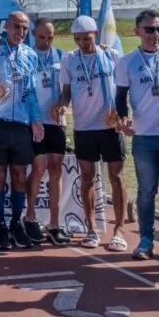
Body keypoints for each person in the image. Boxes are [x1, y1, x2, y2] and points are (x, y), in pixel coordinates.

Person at [114, 9, 159, 263]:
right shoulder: (127, 62)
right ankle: (146, 240)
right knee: (147, 190)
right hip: (145, 137)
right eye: (149, 29)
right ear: (137, 31)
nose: (155, 34)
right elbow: (120, 98)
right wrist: (122, 118)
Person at [58, 16, 127, 250]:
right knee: (87, 178)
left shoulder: (112, 55)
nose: (82, 43)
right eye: (77, 39)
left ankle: (118, 230)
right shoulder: (69, 60)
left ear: (96, 34)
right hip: (84, 127)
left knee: (116, 177)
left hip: (110, 126)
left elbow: (125, 89)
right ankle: (90, 229)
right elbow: (66, 91)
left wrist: (124, 115)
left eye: (86, 38)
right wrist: (61, 104)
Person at [0, 11, 45, 250]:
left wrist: (35, 119)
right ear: (6, 26)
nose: (20, 32)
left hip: (20, 123)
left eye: (24, 28)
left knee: (20, 174)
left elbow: (30, 91)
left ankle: (15, 223)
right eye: (16, 27)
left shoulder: (30, 55)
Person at [25, 17, 66, 245]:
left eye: (50, 37)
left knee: (56, 169)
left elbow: (67, 89)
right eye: (42, 37)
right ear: (33, 34)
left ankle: (54, 223)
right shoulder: (27, 55)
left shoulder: (61, 57)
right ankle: (30, 215)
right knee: (39, 167)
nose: (46, 41)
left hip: (56, 121)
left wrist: (63, 103)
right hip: (34, 120)